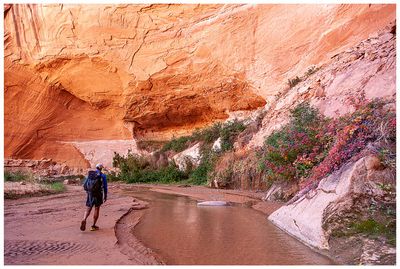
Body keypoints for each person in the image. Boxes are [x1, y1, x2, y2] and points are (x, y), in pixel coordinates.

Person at [80, 163, 108, 231]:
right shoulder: (102, 175)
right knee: (97, 208)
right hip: (98, 194)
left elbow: (85, 185)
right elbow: (105, 187)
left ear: (96, 168)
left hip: (90, 194)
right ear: (101, 168)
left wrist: (88, 192)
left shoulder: (90, 175)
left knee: (88, 208)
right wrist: (105, 196)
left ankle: (84, 219)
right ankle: (93, 225)